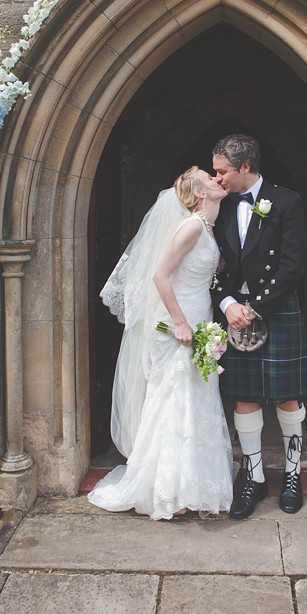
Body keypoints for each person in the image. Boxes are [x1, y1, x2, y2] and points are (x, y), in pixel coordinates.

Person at [88, 167, 233, 520]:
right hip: (178, 328)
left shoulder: (206, 227)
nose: (217, 179)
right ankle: (171, 492)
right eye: (209, 177)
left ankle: (192, 487)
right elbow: (159, 276)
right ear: (200, 193)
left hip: (198, 323)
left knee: (195, 402)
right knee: (176, 404)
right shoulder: (193, 226)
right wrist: (181, 323)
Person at [212, 135, 307, 518]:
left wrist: (254, 308)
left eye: (223, 171)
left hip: (274, 309)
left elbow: (293, 265)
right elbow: (211, 264)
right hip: (235, 311)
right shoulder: (218, 206)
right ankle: (253, 478)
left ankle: (292, 475)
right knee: (245, 396)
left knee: (287, 396)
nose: (218, 178)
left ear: (246, 168)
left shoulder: (286, 201)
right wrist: (227, 303)